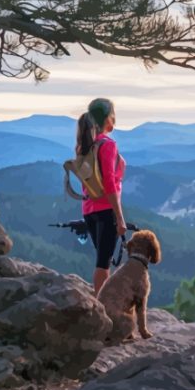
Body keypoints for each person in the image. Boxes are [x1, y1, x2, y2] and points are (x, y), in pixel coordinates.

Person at [75, 98, 127, 296]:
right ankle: (102, 308)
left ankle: (102, 304)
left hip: (89, 209)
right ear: (108, 118)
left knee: (102, 259)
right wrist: (119, 217)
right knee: (103, 263)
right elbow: (109, 184)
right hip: (106, 210)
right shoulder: (107, 144)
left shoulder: (85, 144)